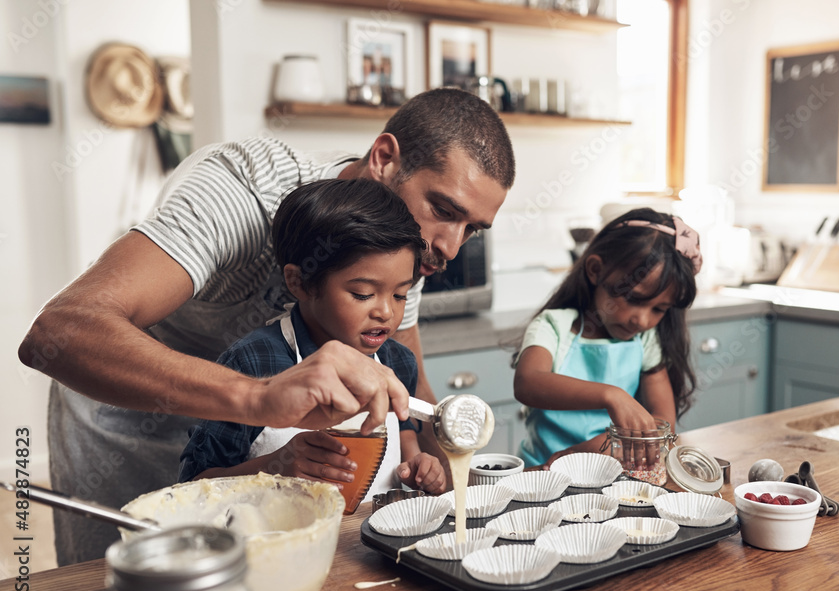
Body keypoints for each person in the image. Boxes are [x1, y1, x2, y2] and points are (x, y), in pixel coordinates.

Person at [19, 88, 514, 565]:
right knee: (118, 588)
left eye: (471, 228)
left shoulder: (404, 246)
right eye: (444, 211)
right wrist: (259, 397)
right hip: (126, 412)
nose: (450, 247)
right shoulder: (241, 193)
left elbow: (407, 384)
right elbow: (61, 331)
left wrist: (451, 472)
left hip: (261, 437)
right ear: (385, 158)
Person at [179, 178, 445, 496]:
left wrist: (419, 468)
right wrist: (277, 466)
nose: (386, 312)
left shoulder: (397, 362)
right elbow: (191, 487)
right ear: (300, 282)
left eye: (400, 295)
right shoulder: (253, 361)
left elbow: (407, 450)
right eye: (363, 294)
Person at [512, 208, 702, 470]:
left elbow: (663, 421)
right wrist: (612, 396)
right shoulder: (554, 327)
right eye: (634, 299)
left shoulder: (645, 339)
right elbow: (527, 383)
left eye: (659, 309)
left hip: (612, 476)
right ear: (596, 270)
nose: (642, 321)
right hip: (543, 473)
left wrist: (595, 449)